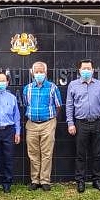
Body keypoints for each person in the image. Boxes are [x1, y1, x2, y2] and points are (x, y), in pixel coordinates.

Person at [67, 59, 100, 193]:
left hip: (97, 123)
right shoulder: (73, 85)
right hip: (81, 123)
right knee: (80, 154)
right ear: (79, 70)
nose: (86, 71)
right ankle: (80, 181)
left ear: (93, 70)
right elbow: (69, 106)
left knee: (98, 153)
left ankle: (97, 180)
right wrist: (70, 123)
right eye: (84, 68)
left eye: (89, 68)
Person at [22, 61, 62, 191]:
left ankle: (45, 180)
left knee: (46, 153)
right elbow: (26, 103)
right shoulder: (27, 88)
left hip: (48, 124)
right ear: (32, 72)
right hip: (32, 124)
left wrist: (51, 119)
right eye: (37, 72)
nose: (39, 74)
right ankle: (35, 180)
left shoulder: (52, 87)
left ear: (46, 73)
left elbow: (58, 106)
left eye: (41, 72)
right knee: (33, 153)